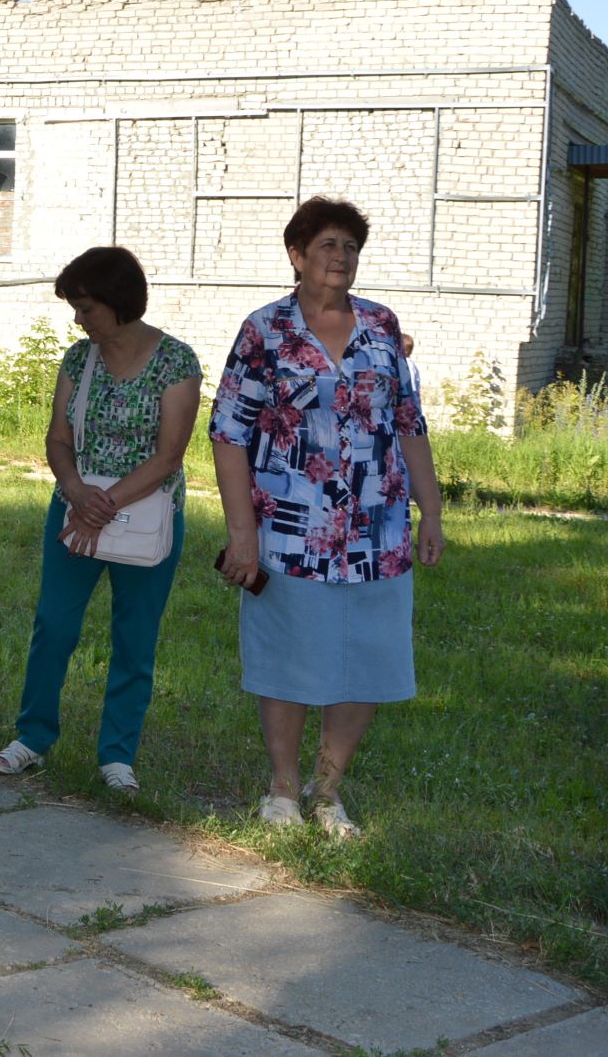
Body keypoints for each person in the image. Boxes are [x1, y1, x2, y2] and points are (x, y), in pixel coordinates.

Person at [209, 196, 445, 837]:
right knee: (288, 654)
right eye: (327, 246)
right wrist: (242, 532)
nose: (341, 258)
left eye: (350, 247)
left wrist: (432, 511)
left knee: (367, 657)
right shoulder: (265, 330)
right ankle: (283, 789)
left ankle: (327, 789)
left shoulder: (382, 325)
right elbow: (228, 433)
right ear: (297, 255)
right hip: (290, 529)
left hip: (379, 530)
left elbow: (409, 424)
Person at [0, 247, 203, 793]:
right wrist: (76, 491)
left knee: (135, 637)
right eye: (75, 308)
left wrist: (102, 505)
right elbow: (58, 437)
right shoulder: (77, 360)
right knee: (53, 627)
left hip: (146, 516)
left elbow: (168, 455)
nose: (77, 319)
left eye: (85, 307)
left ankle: (117, 757)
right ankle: (31, 738)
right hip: (74, 511)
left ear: (117, 301)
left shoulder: (176, 361)